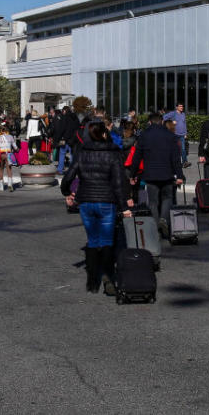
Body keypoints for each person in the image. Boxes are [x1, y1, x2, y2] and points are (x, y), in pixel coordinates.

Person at [61, 121, 131, 295]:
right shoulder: (113, 153)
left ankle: (92, 282)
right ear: (104, 134)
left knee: (92, 241)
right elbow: (118, 183)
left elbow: (68, 176)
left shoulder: (82, 152)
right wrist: (124, 206)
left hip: (86, 201)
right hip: (107, 201)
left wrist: (67, 193)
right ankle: (109, 278)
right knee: (107, 241)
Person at [128, 111, 184, 238]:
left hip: (150, 174)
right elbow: (176, 158)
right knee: (167, 198)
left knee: (152, 201)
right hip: (167, 173)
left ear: (149, 122)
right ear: (162, 121)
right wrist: (179, 175)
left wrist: (133, 174)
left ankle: (154, 225)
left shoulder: (144, 135)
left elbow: (137, 157)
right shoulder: (170, 136)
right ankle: (163, 219)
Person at [163, 102, 189, 168]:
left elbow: (184, 124)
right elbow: (164, 117)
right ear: (176, 107)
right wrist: (171, 122)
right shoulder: (173, 113)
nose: (181, 107)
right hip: (175, 134)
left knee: (183, 149)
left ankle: (184, 162)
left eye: (182, 106)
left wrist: (185, 133)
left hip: (182, 135)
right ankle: (173, 162)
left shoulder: (183, 114)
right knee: (174, 149)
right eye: (180, 106)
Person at [0, 123, 17, 191]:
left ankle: (1, 187)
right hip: (8, 154)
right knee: (9, 169)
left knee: (1, 170)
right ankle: (9, 184)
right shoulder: (10, 136)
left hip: (0, 155)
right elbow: (15, 147)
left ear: (1, 130)